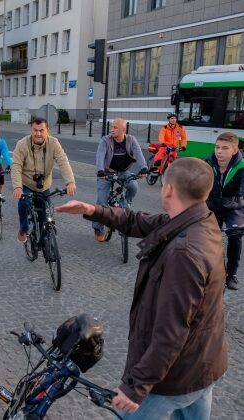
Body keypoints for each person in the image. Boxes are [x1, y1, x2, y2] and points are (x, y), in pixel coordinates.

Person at [56, 158, 228, 420]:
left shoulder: (184, 252)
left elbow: (171, 332)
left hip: (173, 379)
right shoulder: (198, 219)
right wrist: (92, 209)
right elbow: (138, 221)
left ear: (168, 189)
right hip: (202, 365)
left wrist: (134, 389)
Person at [11, 118, 76, 243]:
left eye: (41, 130)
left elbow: (63, 161)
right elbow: (16, 166)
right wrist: (18, 186)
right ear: (31, 130)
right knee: (24, 204)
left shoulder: (54, 143)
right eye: (35, 130)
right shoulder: (22, 144)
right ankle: (23, 229)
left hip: (44, 185)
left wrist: (70, 182)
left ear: (47, 131)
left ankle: (44, 238)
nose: (38, 133)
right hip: (26, 184)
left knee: (44, 216)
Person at [93, 118, 149, 241]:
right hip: (106, 173)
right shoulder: (105, 140)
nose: (112, 130)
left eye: (115, 127)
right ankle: (98, 228)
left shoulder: (131, 140)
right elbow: (100, 156)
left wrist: (144, 168)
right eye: (111, 127)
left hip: (123, 171)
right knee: (102, 201)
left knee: (133, 186)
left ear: (124, 129)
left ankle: (127, 202)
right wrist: (100, 170)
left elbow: (139, 154)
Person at [205, 132, 244, 290]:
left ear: (234, 150)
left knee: (235, 233)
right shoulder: (207, 162)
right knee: (201, 232)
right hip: (212, 203)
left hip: (233, 206)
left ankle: (231, 274)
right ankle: (203, 267)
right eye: (217, 147)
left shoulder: (242, 167)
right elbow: (198, 182)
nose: (219, 151)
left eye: (225, 148)